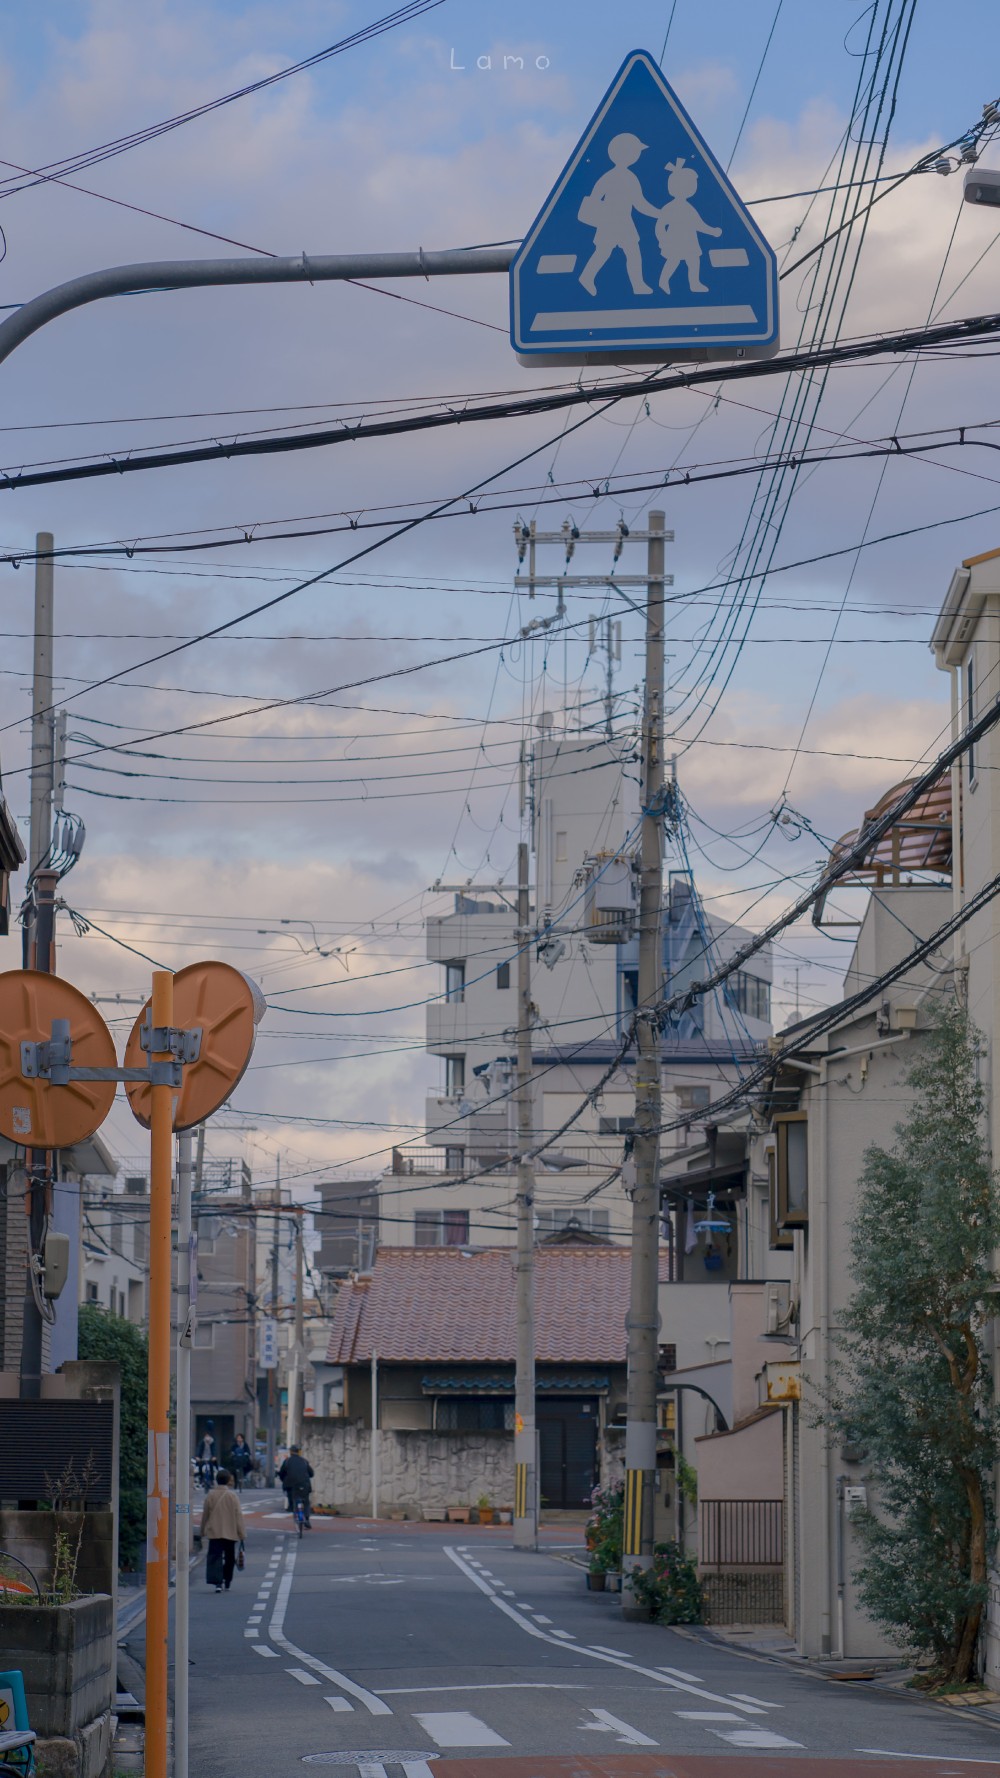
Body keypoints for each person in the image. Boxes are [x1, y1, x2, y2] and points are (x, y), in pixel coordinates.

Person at [577, 132, 660, 298]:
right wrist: (659, 213)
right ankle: (635, 284)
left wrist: (658, 213)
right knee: (620, 252)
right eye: (636, 151)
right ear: (627, 154)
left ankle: (636, 284)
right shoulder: (625, 177)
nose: (637, 155)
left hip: (619, 222)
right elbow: (640, 203)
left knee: (616, 252)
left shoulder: (612, 176)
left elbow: (595, 197)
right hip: (614, 221)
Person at [654, 157, 722, 296]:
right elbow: (660, 226)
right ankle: (663, 281)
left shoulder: (689, 208)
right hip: (675, 240)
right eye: (690, 185)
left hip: (690, 241)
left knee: (693, 261)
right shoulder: (669, 208)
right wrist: (662, 239)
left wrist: (712, 231)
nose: (693, 188)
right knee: (673, 261)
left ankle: (694, 283)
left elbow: (698, 224)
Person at [201, 1469, 246, 1593]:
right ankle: (227, 1581)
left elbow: (205, 1515)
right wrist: (241, 1533)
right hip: (230, 1533)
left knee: (215, 1557)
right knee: (230, 1558)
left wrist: (202, 1530)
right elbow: (238, 1515)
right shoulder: (232, 1496)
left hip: (214, 1532)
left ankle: (217, 1583)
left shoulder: (210, 1495)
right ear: (228, 1481)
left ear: (217, 1480)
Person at [278, 1445, 314, 1527]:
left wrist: (283, 1480)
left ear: (290, 1452)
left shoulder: (287, 1461)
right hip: (304, 1485)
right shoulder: (304, 1461)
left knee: (292, 1498)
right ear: (299, 1452)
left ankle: (291, 1507)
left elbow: (282, 1474)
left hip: (291, 1486)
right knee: (306, 1502)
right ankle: (307, 1519)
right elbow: (312, 1473)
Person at [196, 1422, 216, 1491]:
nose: (207, 1438)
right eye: (206, 1436)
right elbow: (199, 1449)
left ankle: (212, 1480)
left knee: (211, 1467)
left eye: (208, 1436)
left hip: (210, 1458)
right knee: (200, 1466)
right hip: (203, 1458)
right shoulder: (202, 1442)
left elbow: (214, 1450)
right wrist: (198, 1456)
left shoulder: (212, 1442)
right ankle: (201, 1478)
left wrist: (214, 1457)